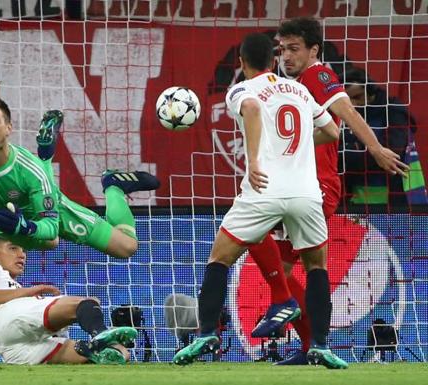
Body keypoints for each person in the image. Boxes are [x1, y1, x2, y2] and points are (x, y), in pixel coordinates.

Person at [172, 33, 347, 369]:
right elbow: (332, 132)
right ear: (274, 60)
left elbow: (251, 109)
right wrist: (292, 148)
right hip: (306, 193)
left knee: (219, 258)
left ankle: (207, 332)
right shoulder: (299, 90)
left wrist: (255, 159)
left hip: (264, 189)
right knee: (316, 267)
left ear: (241, 62)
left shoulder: (242, 90)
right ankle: (321, 346)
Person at [247, 17, 410, 365]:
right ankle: (312, 346)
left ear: (313, 50)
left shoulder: (318, 76)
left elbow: (346, 111)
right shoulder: (292, 83)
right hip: (297, 186)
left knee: (276, 256)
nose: (286, 56)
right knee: (283, 266)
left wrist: (377, 149)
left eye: (294, 49)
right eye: (282, 49)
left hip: (316, 187)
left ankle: (313, 342)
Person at [0, 95, 160, 258]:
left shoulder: (29, 171)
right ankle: (46, 154)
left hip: (36, 218)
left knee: (126, 247)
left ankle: (113, 186)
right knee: (50, 244)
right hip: (7, 227)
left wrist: (26, 227)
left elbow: (50, 226)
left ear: (9, 128)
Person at [0, 234, 138, 364]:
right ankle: (100, 333)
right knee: (87, 302)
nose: (22, 255)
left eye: (24, 250)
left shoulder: (15, 287)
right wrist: (29, 292)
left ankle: (99, 347)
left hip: (15, 349)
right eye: (13, 248)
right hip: (7, 322)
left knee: (119, 353)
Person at [342, 67, 415, 207]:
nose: (352, 104)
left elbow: (392, 155)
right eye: (346, 99)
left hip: (391, 201)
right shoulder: (339, 114)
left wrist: (350, 151)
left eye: (357, 97)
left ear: (371, 94)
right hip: (348, 199)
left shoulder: (393, 112)